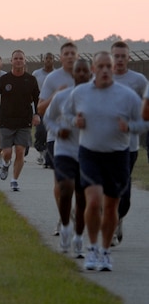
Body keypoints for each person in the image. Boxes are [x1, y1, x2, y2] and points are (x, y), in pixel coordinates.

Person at [64, 51, 142, 272]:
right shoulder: (80, 93)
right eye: (102, 66)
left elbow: (143, 122)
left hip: (118, 155)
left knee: (110, 207)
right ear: (93, 70)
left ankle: (105, 251)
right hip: (90, 153)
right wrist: (74, 121)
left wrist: (130, 127)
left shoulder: (127, 95)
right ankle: (92, 248)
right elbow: (66, 115)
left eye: (109, 66)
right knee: (94, 201)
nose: (106, 70)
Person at [44, 58, 91, 255]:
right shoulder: (62, 96)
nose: (80, 73)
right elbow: (48, 118)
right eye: (77, 70)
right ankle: (65, 227)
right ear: (73, 74)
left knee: (82, 198)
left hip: (87, 152)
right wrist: (58, 130)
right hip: (64, 149)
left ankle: (79, 236)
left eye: (84, 71)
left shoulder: (95, 98)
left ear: (90, 74)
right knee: (65, 188)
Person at [37, 42, 78, 234]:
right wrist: (55, 95)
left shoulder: (87, 77)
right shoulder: (53, 78)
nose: (70, 56)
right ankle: (63, 219)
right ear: (60, 58)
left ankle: (75, 212)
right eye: (66, 53)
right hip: (57, 137)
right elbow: (40, 108)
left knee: (81, 183)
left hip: (83, 138)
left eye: (73, 53)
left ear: (77, 56)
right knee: (61, 183)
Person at [110, 41, 148, 244]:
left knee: (123, 188)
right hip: (103, 144)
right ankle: (110, 221)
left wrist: (132, 125)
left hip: (129, 144)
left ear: (129, 58)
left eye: (123, 56)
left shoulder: (138, 80)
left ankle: (118, 218)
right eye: (116, 56)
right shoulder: (102, 78)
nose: (120, 60)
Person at [0, 50, 40, 191]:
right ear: (11, 61)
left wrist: (37, 114)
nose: (18, 61)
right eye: (15, 58)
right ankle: (6, 164)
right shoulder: (5, 79)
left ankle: (14, 180)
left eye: (21, 59)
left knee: (20, 151)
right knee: (6, 152)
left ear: (25, 61)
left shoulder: (30, 80)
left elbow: (37, 99)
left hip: (24, 121)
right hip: (6, 120)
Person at [32, 53, 55, 166]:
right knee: (41, 131)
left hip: (53, 107)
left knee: (50, 131)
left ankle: (48, 154)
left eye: (50, 59)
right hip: (40, 105)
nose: (48, 61)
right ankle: (41, 151)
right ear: (43, 60)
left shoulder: (56, 75)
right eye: (46, 58)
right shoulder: (37, 74)